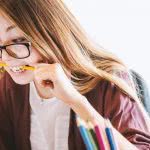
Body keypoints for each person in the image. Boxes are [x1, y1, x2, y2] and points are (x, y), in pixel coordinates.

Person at [0, 0, 149, 150]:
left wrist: (76, 102)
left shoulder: (108, 81)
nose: (5, 58)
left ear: (51, 32)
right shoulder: (7, 86)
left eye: (19, 40)